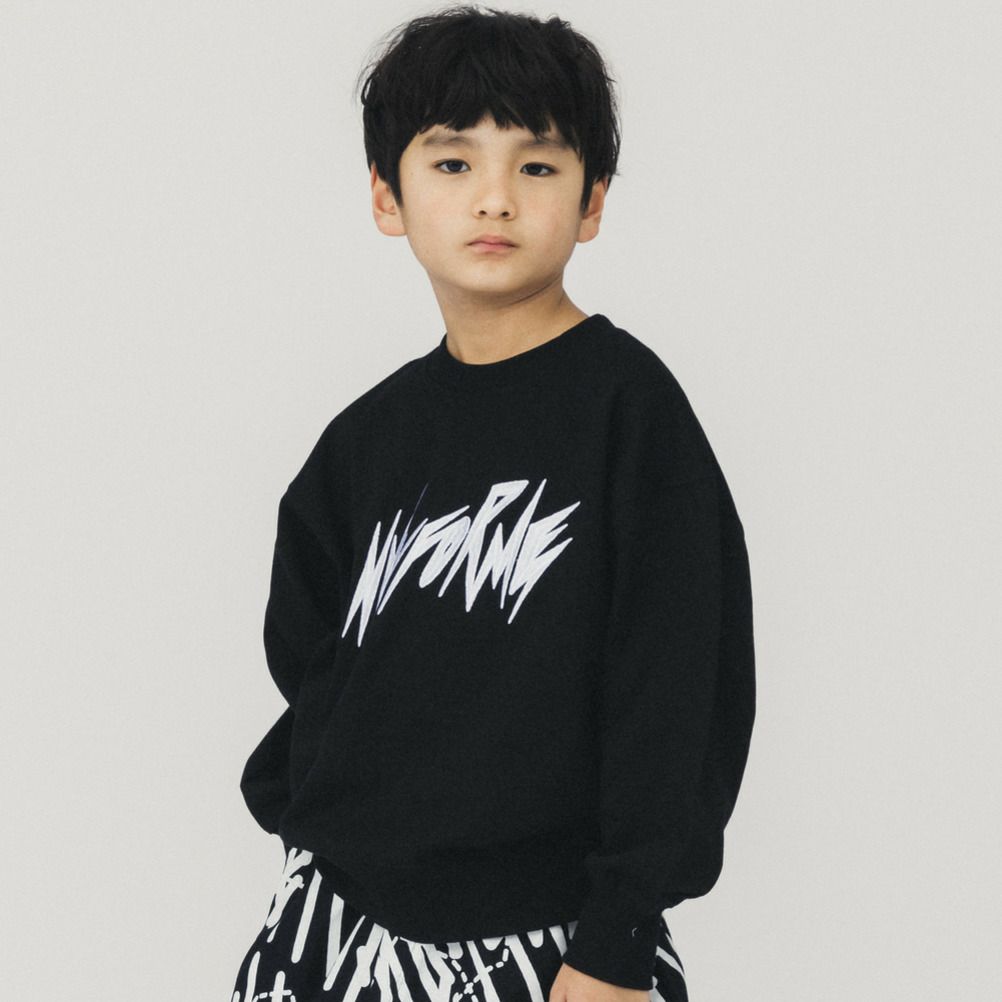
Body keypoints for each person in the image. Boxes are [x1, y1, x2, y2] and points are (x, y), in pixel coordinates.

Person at [230, 5, 756, 1002]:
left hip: (551, 941)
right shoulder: (365, 443)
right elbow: (310, 657)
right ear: (387, 196)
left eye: (538, 166)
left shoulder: (629, 415)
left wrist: (617, 939)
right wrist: (314, 837)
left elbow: (679, 691)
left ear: (592, 202)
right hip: (336, 930)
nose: (496, 199)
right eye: (452, 162)